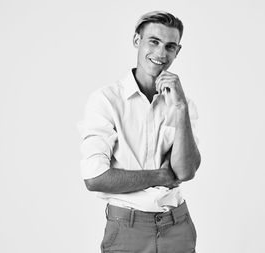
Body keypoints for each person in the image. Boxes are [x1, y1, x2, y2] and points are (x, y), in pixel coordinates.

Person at [78, 11, 201, 253]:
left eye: (170, 46)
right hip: (127, 228)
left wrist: (180, 107)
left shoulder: (182, 104)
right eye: (153, 42)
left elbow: (186, 171)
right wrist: (161, 176)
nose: (160, 53)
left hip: (178, 226)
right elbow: (95, 178)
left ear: (178, 51)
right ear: (137, 40)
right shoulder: (106, 101)